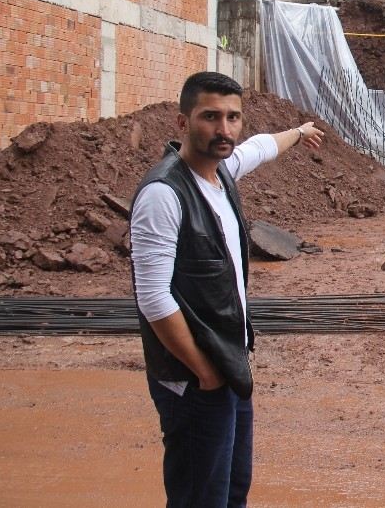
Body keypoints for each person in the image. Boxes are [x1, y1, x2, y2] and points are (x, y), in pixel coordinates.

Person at [130, 71, 324, 507]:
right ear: (182, 123)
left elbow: (259, 148)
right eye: (210, 117)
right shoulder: (164, 194)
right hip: (194, 376)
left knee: (231, 489)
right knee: (200, 497)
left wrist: (299, 132)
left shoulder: (222, 172)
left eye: (233, 117)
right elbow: (154, 297)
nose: (225, 129)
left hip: (227, 365)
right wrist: (204, 371)